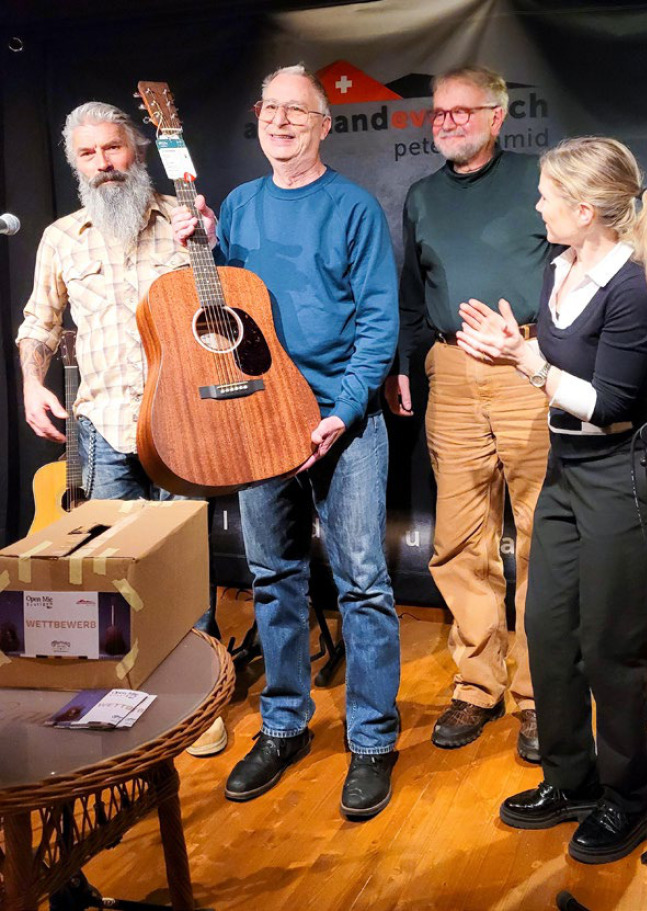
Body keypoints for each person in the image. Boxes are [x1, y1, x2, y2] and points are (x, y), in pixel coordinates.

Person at [457, 136, 647, 863]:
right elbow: (565, 365)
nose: (537, 205)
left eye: (547, 197)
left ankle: (631, 797)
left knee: (609, 648)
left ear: (586, 209)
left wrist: (526, 362)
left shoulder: (632, 284)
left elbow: (613, 398)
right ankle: (573, 780)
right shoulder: (558, 265)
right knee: (548, 626)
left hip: (619, 474)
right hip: (568, 469)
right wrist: (514, 340)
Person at [172, 64, 401, 819]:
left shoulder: (354, 207)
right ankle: (284, 724)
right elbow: (224, 312)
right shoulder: (236, 205)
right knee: (273, 578)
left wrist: (339, 412)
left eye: (297, 110)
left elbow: (378, 322)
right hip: (258, 420)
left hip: (343, 422)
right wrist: (198, 248)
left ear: (324, 125)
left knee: (363, 581)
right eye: (270, 107)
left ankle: (371, 740)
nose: (280, 120)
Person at [16, 101, 226, 758]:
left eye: (114, 148)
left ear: (136, 149)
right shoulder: (61, 237)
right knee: (115, 567)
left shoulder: (185, 222)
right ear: (74, 163)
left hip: (183, 421)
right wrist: (30, 381)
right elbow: (39, 324)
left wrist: (213, 244)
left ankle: (197, 699)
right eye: (89, 154)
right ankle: (130, 688)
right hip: (105, 423)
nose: (104, 163)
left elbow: (225, 310)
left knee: (185, 567)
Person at [385, 66, 552, 760]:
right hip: (449, 371)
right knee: (458, 537)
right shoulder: (422, 195)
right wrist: (404, 360)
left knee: (543, 532)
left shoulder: (541, 180)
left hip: (527, 366)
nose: (446, 121)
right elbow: (412, 289)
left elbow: (580, 263)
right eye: (438, 113)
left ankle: (544, 696)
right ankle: (477, 684)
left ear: (496, 116)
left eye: (462, 111)